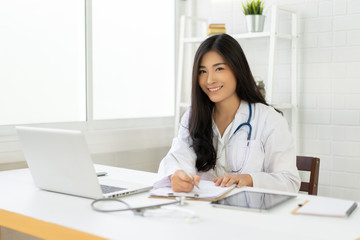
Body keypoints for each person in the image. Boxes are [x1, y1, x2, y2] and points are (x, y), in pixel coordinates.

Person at [154, 33, 300, 193]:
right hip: (204, 211)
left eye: (219, 69)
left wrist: (250, 179)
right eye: (203, 71)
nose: (209, 80)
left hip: (250, 214)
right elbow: (178, 157)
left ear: (237, 69)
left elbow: (290, 181)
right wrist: (177, 175)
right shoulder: (193, 116)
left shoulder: (268, 119)